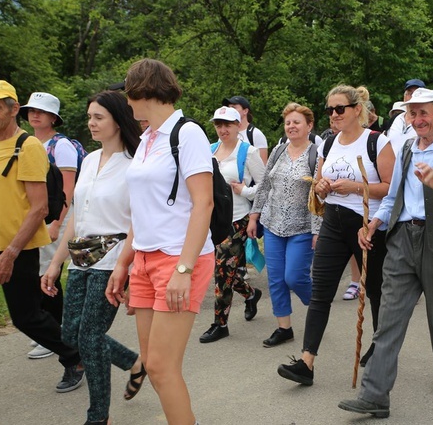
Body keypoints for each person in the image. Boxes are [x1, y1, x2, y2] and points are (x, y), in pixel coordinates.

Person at [338, 88, 433, 417]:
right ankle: (375, 395)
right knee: (389, 317)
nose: (418, 120)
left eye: (424, 113)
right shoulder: (407, 148)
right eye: (412, 114)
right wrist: (375, 223)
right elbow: (392, 198)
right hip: (402, 239)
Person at [106, 58, 216, 425]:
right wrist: (124, 262)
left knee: (161, 367)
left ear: (142, 90)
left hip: (180, 258)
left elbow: (204, 202)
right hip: (145, 259)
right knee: (154, 369)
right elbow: (142, 209)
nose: (127, 103)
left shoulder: (187, 133)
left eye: (128, 95)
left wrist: (183, 269)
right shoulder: (148, 139)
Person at [277, 86, 394, 385]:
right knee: (320, 293)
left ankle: (380, 347)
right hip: (332, 222)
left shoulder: (376, 142)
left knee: (376, 291)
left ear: (357, 109)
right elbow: (318, 181)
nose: (334, 115)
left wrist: (354, 187)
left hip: (365, 224)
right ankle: (306, 362)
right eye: (330, 109)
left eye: (339, 108)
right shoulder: (328, 143)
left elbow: (391, 187)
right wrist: (322, 187)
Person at [41, 90, 145, 424]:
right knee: (71, 334)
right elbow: (75, 217)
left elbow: (138, 223)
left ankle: (98, 416)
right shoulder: (88, 160)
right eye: (89, 117)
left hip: (113, 260)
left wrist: (126, 267)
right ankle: (135, 362)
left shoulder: (135, 165)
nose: (91, 123)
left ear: (118, 119)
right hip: (81, 257)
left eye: (98, 117)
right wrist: (56, 263)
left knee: (88, 337)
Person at [0, 80, 84, 393]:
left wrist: (11, 253)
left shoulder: (32, 146)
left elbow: (46, 202)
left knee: (28, 315)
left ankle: (73, 353)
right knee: (32, 309)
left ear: (12, 109)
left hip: (21, 243)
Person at [248, 103, 321, 348]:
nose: (291, 126)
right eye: (288, 122)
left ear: (309, 126)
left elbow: (320, 196)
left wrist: (317, 230)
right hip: (272, 224)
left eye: (297, 122)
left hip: (302, 227)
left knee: (294, 277)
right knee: (276, 279)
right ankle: (284, 328)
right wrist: (254, 216)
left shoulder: (317, 155)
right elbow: (265, 186)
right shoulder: (278, 151)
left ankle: (318, 305)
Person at [198, 106, 266, 343]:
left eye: (227, 124)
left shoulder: (248, 152)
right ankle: (250, 294)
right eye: (218, 125)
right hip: (212, 221)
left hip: (238, 219)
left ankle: (220, 324)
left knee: (221, 272)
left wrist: (245, 190)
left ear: (238, 125)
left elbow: (266, 185)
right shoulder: (209, 150)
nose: (223, 129)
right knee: (221, 270)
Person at [19, 92, 79, 359]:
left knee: (47, 272)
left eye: (41, 112)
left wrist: (56, 223)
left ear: (53, 118)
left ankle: (55, 333)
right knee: (39, 271)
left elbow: (68, 188)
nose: (35, 115)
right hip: (35, 217)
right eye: (32, 110)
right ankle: (51, 329)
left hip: (55, 217)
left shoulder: (60, 145)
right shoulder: (28, 143)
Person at [222, 95, 269, 163]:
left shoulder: (256, 134)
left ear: (245, 111)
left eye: (233, 107)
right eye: (229, 108)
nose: (230, 111)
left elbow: (262, 167)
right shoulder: (224, 133)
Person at [386, 78, 425, 153]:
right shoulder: (395, 119)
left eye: (417, 94)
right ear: (404, 97)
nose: (413, 97)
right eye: (410, 93)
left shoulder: (428, 121)